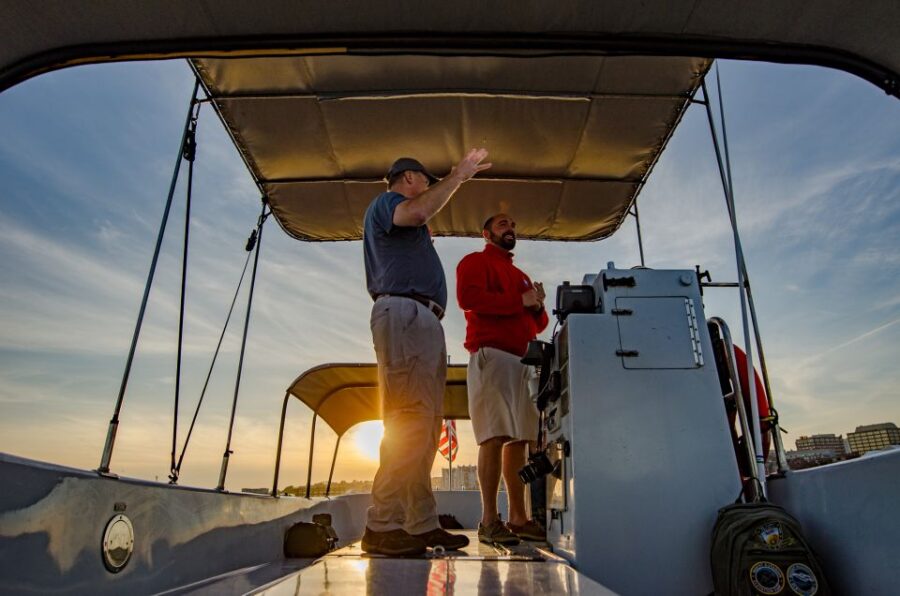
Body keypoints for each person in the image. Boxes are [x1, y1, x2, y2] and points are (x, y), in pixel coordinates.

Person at [362, 150, 491, 556]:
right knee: (409, 418)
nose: (431, 189)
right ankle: (382, 525)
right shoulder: (388, 204)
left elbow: (419, 220)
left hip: (422, 321)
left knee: (426, 424)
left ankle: (420, 523)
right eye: (426, 181)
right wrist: (459, 175)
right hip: (404, 314)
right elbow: (416, 214)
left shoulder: (408, 222)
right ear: (410, 179)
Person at [456, 213, 549, 544]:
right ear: (486, 233)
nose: (510, 228)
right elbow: (468, 299)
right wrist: (520, 301)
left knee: (519, 440)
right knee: (493, 436)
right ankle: (488, 521)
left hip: (522, 362)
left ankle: (518, 518)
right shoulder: (474, 262)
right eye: (502, 225)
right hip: (491, 355)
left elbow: (539, 325)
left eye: (513, 225)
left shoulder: (522, 276)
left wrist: (536, 305)